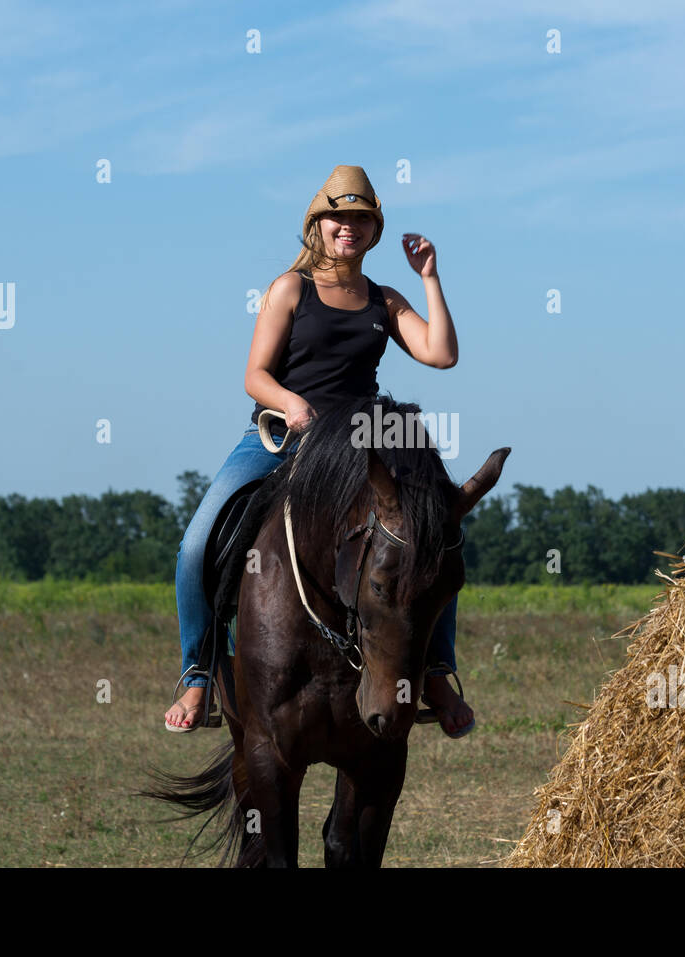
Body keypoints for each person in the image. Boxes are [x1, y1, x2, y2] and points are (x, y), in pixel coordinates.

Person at [163, 164, 474, 738]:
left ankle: (434, 671)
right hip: (283, 435)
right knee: (194, 544)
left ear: (373, 228)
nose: (347, 227)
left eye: (360, 218)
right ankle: (198, 671)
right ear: (318, 224)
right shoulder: (290, 288)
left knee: (430, 536)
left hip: (360, 445)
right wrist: (292, 404)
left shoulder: (384, 298)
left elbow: (441, 353)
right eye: (338, 216)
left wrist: (430, 277)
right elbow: (255, 375)